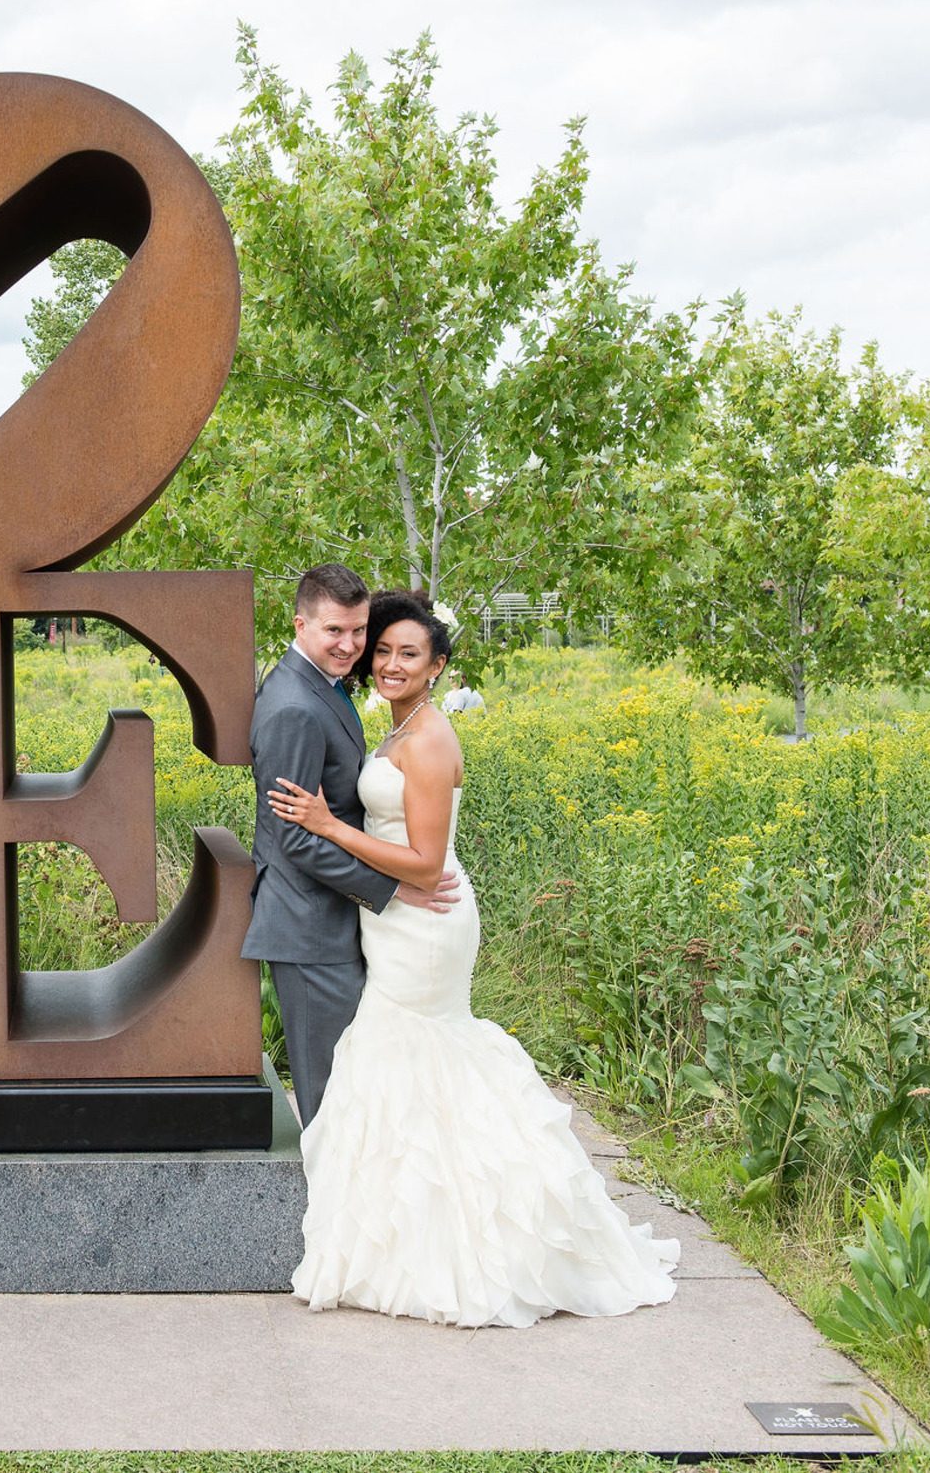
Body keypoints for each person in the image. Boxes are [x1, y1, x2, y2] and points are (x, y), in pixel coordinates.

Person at [268, 589, 678, 1327]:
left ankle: (465, 1235)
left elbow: (426, 865)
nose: (389, 663)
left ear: (438, 666)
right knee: (401, 1070)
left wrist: (328, 825)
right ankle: (406, 1230)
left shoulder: (429, 738)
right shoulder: (398, 725)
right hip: (395, 917)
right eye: (382, 650)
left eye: (409, 653)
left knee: (420, 1057)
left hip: (422, 918)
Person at [243, 564, 459, 1128]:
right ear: (301, 624)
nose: (350, 645)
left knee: (356, 1086)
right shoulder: (295, 705)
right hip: (309, 923)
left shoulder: (322, 686)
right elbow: (295, 838)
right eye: (334, 630)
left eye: (359, 631)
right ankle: (327, 1187)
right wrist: (390, 889)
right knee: (330, 1095)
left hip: (338, 919)